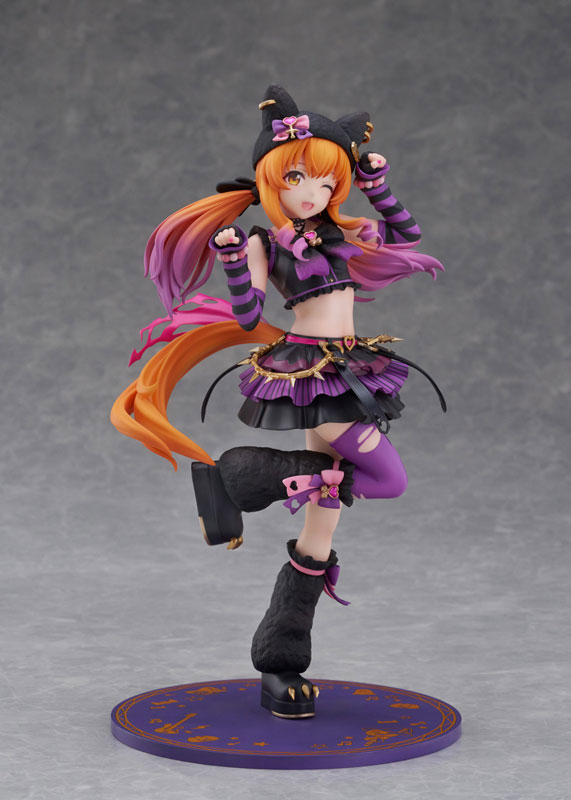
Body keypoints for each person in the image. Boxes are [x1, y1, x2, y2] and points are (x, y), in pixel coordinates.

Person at [111, 85, 446, 719]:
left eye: (326, 180)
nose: (312, 192)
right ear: (271, 181)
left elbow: (406, 235)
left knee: (322, 521)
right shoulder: (266, 242)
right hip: (310, 368)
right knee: (388, 480)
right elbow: (246, 313)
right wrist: (234, 259)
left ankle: (281, 658)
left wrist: (377, 187)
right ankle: (238, 475)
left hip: (349, 362)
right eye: (296, 178)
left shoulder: (345, 233)